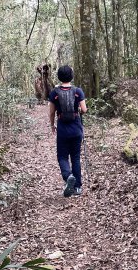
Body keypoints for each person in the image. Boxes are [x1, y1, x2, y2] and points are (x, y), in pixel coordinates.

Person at [48, 65, 87, 197]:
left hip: (63, 129)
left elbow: (51, 112)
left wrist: (52, 125)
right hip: (76, 128)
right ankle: (77, 188)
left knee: (62, 156)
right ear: (71, 76)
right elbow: (84, 109)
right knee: (75, 157)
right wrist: (79, 110)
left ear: (59, 76)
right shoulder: (78, 91)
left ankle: (68, 176)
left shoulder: (54, 93)